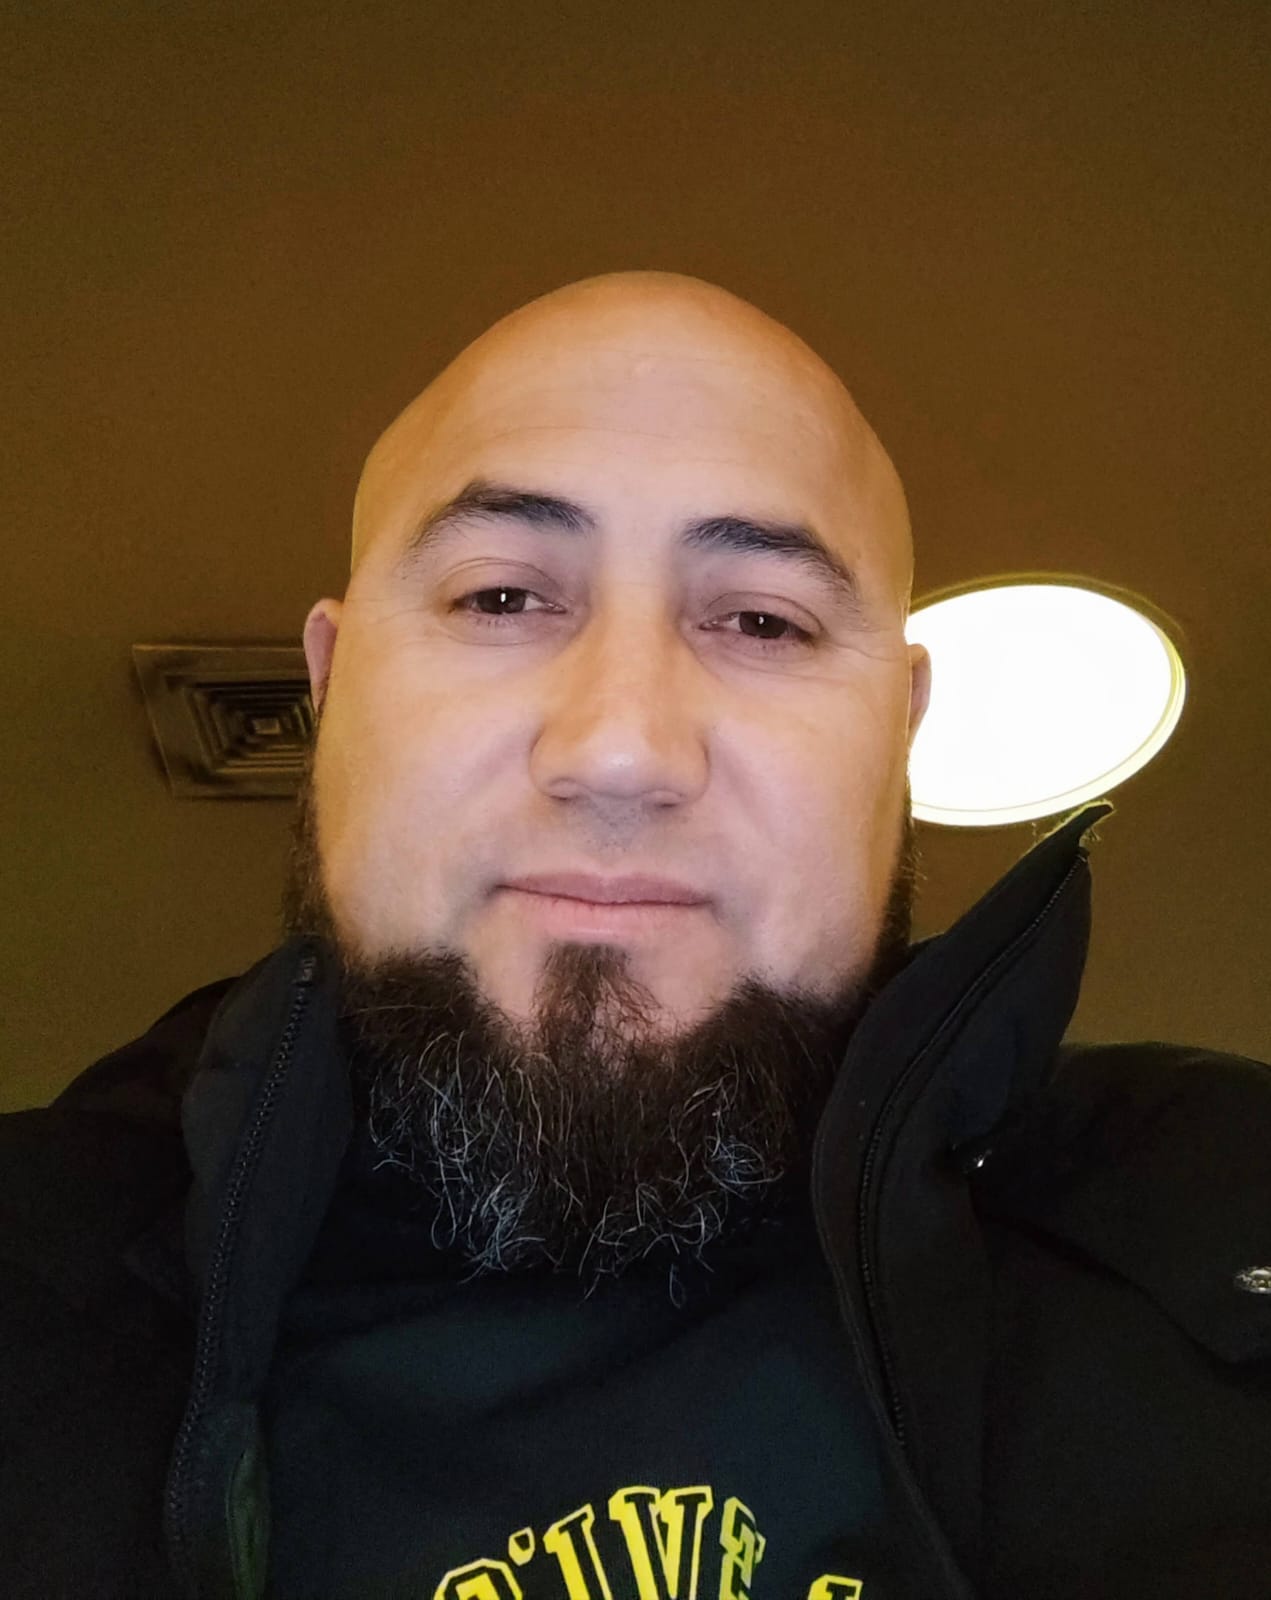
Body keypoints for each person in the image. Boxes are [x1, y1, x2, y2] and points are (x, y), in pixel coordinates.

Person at [2, 272, 1268, 1600]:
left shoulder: (1227, 1203)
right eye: (500, 599)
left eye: (764, 621)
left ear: (898, 736)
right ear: (330, 688)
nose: (620, 749)